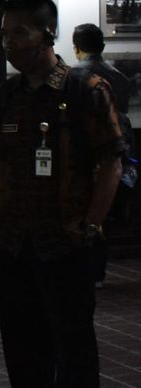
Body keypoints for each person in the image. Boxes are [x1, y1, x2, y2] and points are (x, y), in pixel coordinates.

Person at [0, 0, 123, 387]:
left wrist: (90, 225)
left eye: (20, 33)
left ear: (49, 34)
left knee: (74, 347)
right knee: (22, 348)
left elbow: (112, 161)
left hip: (65, 243)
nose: (9, 43)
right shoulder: (6, 96)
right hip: (12, 244)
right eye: (4, 34)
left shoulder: (85, 91)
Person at [73, 23, 136, 287]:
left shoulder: (73, 76)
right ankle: (97, 271)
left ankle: (83, 267)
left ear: (76, 48)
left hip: (82, 150)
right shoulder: (119, 77)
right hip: (114, 149)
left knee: (81, 210)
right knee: (103, 213)